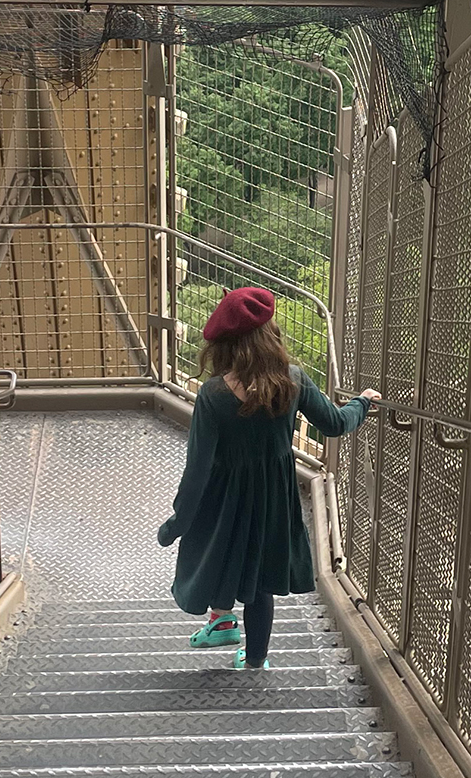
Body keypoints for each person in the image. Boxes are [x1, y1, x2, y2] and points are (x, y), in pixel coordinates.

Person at [156, 287, 381, 670]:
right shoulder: (293, 379)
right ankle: (256, 660)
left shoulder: (213, 395)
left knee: (218, 553)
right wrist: (362, 402)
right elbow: (335, 424)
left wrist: (178, 522)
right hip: (274, 497)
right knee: (259, 576)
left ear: (225, 344)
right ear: (270, 335)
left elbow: (197, 470)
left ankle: (222, 619)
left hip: (224, 498)